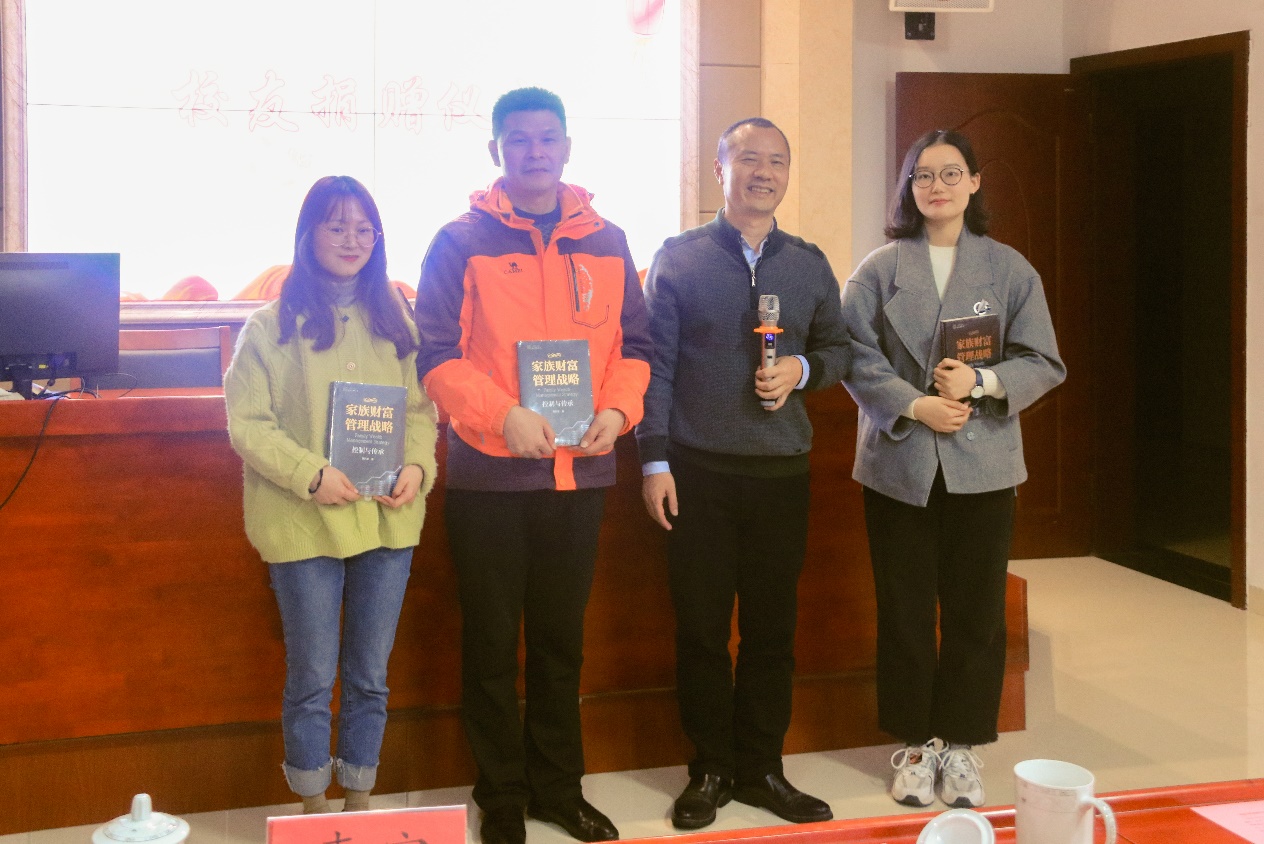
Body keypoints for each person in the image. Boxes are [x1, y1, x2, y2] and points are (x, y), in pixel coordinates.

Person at [413, 87, 651, 844]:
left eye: (548, 138)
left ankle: (558, 789)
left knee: (559, 644)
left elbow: (637, 347)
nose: (535, 151)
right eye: (519, 139)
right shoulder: (459, 240)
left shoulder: (608, 240)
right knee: (490, 645)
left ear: (568, 147)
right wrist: (501, 415)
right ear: (496, 150)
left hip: (581, 475)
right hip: (489, 476)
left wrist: (620, 412)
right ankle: (503, 797)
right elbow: (434, 355)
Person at [840, 129, 1065, 809]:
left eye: (950, 173)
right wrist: (915, 404)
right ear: (908, 188)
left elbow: (1043, 361)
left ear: (974, 181)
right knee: (904, 610)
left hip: (984, 464)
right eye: (922, 175)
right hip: (900, 461)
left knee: (976, 611)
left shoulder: (1010, 270)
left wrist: (982, 382)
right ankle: (915, 743)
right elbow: (852, 356)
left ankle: (962, 743)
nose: (936, 187)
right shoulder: (879, 269)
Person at [636, 117, 848, 830]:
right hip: (698, 472)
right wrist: (654, 460)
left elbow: (841, 350)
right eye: (749, 159)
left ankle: (761, 767)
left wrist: (803, 369)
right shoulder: (680, 259)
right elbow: (656, 366)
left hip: (782, 474)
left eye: (777, 161)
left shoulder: (809, 264)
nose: (764, 172)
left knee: (770, 631)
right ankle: (710, 768)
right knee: (701, 629)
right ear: (719, 170)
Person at [224, 176, 439, 813]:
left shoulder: (396, 321)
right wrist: (311, 474)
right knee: (314, 677)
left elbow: (420, 412)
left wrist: (417, 467)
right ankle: (314, 806)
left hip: (386, 520)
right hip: (303, 523)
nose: (352, 240)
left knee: (371, 676)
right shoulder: (268, 327)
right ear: (308, 234)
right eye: (337, 226)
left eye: (364, 229)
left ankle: (360, 801)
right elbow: (248, 425)